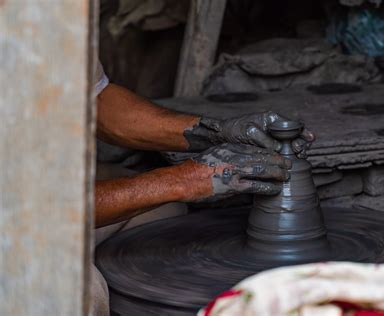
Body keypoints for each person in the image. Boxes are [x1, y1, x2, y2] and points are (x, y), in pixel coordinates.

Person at [90, 62, 315, 315]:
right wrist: (183, 180)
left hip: (51, 174)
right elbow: (43, 209)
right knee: (86, 290)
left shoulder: (68, 30)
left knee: (163, 212)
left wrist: (216, 131)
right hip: (39, 214)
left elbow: (99, 100)